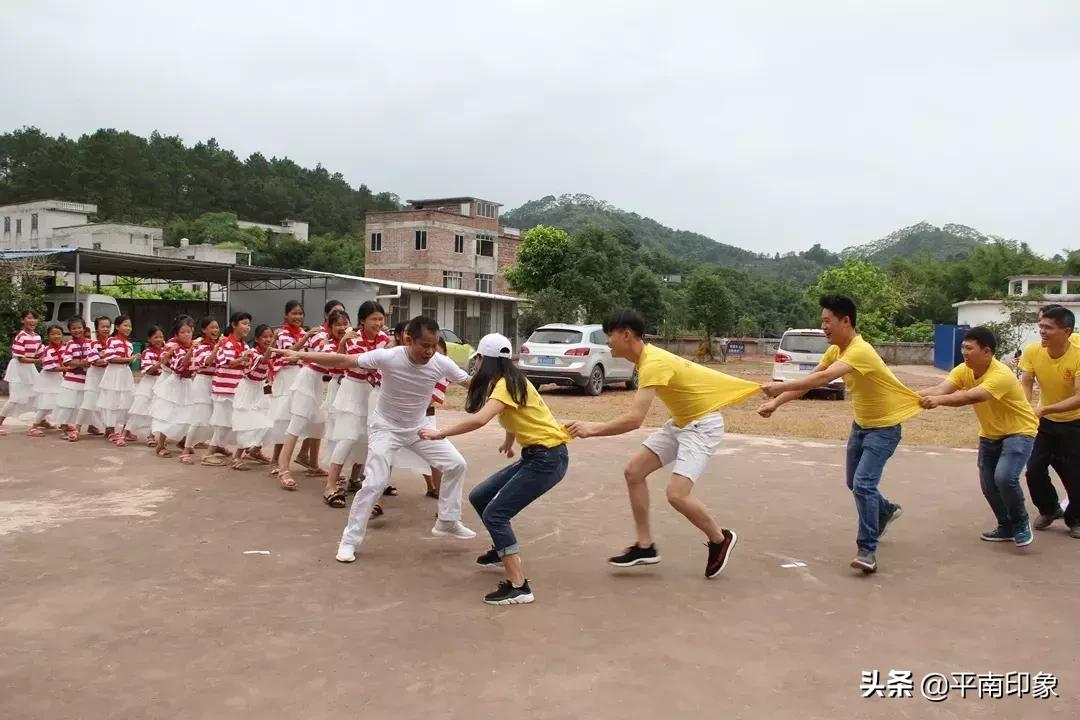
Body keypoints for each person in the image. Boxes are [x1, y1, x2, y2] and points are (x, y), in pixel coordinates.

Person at [566, 308, 760, 579]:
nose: (607, 342)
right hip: (681, 423)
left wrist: (592, 429)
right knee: (634, 472)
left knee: (677, 495)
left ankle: (719, 539)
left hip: (702, 427)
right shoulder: (646, 360)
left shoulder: (653, 362)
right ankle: (645, 547)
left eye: (609, 336)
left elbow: (635, 419)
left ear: (626, 334)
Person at [276, 315, 475, 563]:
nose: (429, 351)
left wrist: (506, 384)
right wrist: (303, 356)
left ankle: (447, 520)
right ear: (408, 339)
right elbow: (344, 360)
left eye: (434, 345)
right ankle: (349, 541)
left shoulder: (440, 362)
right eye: (424, 345)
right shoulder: (389, 356)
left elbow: (470, 383)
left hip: (418, 428)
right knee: (374, 483)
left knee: (456, 464)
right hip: (386, 428)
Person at [760, 294, 922, 574]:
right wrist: (777, 403)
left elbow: (822, 379)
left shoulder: (861, 351)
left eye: (827, 321)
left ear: (846, 321)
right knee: (854, 482)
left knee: (863, 484)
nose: (823, 327)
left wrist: (778, 386)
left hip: (885, 429)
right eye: (822, 321)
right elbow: (811, 382)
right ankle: (885, 510)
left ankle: (867, 549)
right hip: (861, 426)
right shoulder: (836, 350)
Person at [420, 333, 571, 605]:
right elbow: (522, 414)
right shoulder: (512, 381)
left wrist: (440, 433)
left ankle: (519, 585)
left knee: (496, 514)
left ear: (482, 359)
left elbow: (479, 420)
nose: (476, 364)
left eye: (477, 359)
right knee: (480, 496)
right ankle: (501, 549)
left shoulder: (504, 386)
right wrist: (509, 441)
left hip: (548, 459)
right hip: (540, 455)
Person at [918, 326, 1037, 546]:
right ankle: (1006, 527)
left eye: (970, 348)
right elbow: (941, 389)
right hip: (990, 434)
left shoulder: (1001, 374)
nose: (964, 352)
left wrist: (939, 402)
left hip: (1019, 431)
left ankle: (1020, 522)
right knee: (988, 485)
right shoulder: (963, 370)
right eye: (963, 347)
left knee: (1004, 478)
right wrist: (908, 395)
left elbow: (972, 396)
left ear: (987, 352)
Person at [1018, 305, 1080, 538]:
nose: (1042, 331)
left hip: (1075, 423)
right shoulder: (1033, 351)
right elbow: (1026, 382)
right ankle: (1049, 509)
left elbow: (1078, 398)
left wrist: (1043, 409)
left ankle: (1076, 519)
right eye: (1041, 326)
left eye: (1049, 328)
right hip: (1045, 424)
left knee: (1075, 475)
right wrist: (1026, 407)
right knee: (1033, 470)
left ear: (1066, 331)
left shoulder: (1078, 354)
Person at [322, 301, 389, 508]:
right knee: (348, 437)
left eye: (381, 318)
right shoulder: (353, 339)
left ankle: (360, 483)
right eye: (374, 319)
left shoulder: (385, 339)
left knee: (368, 440)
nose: (378, 323)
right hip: (352, 390)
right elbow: (363, 363)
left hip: (372, 393)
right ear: (362, 321)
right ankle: (330, 485)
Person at [274, 307, 349, 489]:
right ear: (329, 326)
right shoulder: (326, 341)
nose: (341, 327)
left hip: (323, 386)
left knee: (319, 426)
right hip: (308, 380)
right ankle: (283, 469)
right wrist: (342, 343)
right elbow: (334, 361)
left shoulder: (347, 342)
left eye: (345, 324)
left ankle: (313, 464)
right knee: (296, 425)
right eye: (337, 324)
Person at [203, 311, 253, 466]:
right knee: (224, 424)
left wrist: (246, 361)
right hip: (225, 390)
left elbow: (242, 364)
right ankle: (209, 454)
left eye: (249, 325)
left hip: (236, 389)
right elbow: (229, 362)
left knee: (236, 422)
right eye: (244, 323)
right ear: (234, 325)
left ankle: (238, 455)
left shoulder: (243, 344)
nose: (247, 327)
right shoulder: (227, 343)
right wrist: (243, 359)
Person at [230, 323, 274, 471]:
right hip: (248, 389)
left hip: (260, 388)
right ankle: (237, 456)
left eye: (271, 336)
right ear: (257, 338)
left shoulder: (270, 353)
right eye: (265, 337)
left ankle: (255, 450)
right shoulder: (252, 353)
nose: (268, 339)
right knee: (247, 424)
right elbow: (263, 360)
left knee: (266, 422)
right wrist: (274, 345)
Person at [151, 316, 196, 459]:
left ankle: (183, 440)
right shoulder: (173, 345)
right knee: (169, 412)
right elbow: (177, 365)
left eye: (189, 331)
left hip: (187, 382)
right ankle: (161, 444)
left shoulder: (194, 345)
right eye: (182, 332)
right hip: (173, 380)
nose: (186, 335)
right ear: (176, 334)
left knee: (187, 411)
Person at [180, 317, 221, 465]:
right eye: (212, 328)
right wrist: (217, 349)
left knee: (217, 418)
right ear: (204, 330)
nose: (215, 331)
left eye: (217, 328)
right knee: (197, 418)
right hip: (202, 382)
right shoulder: (199, 345)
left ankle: (216, 446)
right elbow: (206, 362)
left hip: (216, 383)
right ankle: (186, 449)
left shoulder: (218, 345)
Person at [0, 309, 43, 436]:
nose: (32, 321)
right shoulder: (21, 336)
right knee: (15, 398)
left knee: (39, 393)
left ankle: (43, 420)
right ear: (22, 320)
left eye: (34, 318)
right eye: (29, 318)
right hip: (18, 369)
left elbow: (42, 352)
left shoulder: (37, 336)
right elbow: (20, 358)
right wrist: (38, 360)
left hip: (30, 368)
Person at [97, 314, 137, 446]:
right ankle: (110, 429)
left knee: (126, 400)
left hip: (125, 373)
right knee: (112, 399)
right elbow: (110, 358)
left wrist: (128, 361)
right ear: (118, 326)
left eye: (130, 326)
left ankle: (126, 429)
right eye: (125, 325)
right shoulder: (112, 340)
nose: (128, 328)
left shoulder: (129, 344)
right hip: (114, 372)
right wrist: (128, 359)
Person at [53, 318, 95, 442]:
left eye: (79, 327)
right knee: (68, 404)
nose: (77, 330)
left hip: (87, 378)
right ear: (70, 330)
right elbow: (67, 361)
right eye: (74, 328)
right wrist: (82, 363)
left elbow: (94, 357)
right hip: (72, 379)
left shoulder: (90, 343)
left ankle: (89, 425)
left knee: (83, 404)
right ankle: (66, 426)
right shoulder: (70, 344)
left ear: (84, 328)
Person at [127, 326, 165, 446]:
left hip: (161, 382)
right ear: (149, 339)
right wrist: (161, 363)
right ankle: (126, 432)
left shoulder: (165, 352)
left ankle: (151, 435)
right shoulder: (147, 352)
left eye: (161, 337)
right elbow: (148, 370)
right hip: (149, 383)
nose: (159, 339)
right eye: (156, 337)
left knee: (156, 409)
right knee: (140, 406)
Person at [28, 325, 66, 437]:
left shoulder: (64, 348)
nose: (56, 336)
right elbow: (50, 367)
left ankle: (64, 424)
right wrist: (69, 368)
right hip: (48, 380)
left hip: (58, 378)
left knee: (61, 402)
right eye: (53, 334)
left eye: (58, 333)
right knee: (46, 404)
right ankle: (33, 427)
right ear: (48, 336)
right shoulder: (47, 350)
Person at [77, 315, 112, 437]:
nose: (106, 329)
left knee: (107, 402)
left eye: (108, 326)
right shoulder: (92, 344)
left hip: (108, 375)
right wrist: (109, 359)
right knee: (89, 401)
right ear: (97, 328)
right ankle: (77, 429)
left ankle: (108, 430)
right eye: (103, 326)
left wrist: (106, 358)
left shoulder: (112, 343)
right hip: (94, 375)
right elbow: (94, 361)